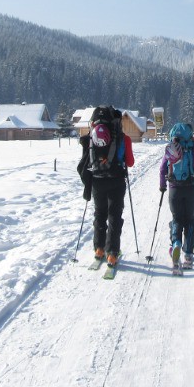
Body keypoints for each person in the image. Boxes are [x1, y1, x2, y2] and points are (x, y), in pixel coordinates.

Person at [78, 105, 135, 266]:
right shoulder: (123, 138)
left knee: (100, 214)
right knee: (114, 216)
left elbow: (86, 161)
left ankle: (99, 249)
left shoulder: (90, 137)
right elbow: (130, 162)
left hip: (97, 181)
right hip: (116, 180)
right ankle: (112, 253)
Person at [158, 122, 194, 268]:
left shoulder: (171, 147)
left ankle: (176, 243)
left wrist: (163, 185)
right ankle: (188, 253)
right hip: (191, 189)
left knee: (177, 218)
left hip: (174, 188)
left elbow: (163, 168)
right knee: (190, 219)